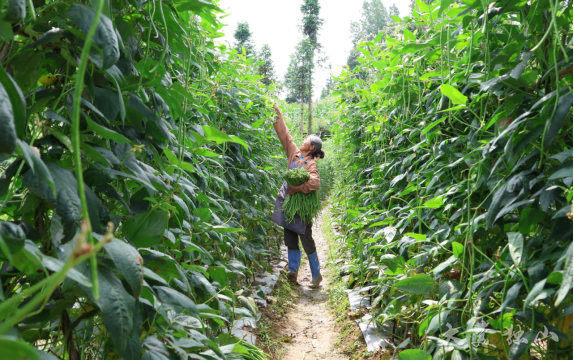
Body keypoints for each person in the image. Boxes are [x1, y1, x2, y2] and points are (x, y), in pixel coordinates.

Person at [272, 103, 326, 288]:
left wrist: (297, 188)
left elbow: (315, 183)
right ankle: (293, 273)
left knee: (306, 238)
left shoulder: (311, 163)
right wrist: (277, 114)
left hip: (301, 208)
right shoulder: (294, 154)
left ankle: (316, 276)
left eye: (306, 140)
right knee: (289, 236)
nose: (302, 141)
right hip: (289, 205)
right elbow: (285, 135)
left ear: (311, 147)